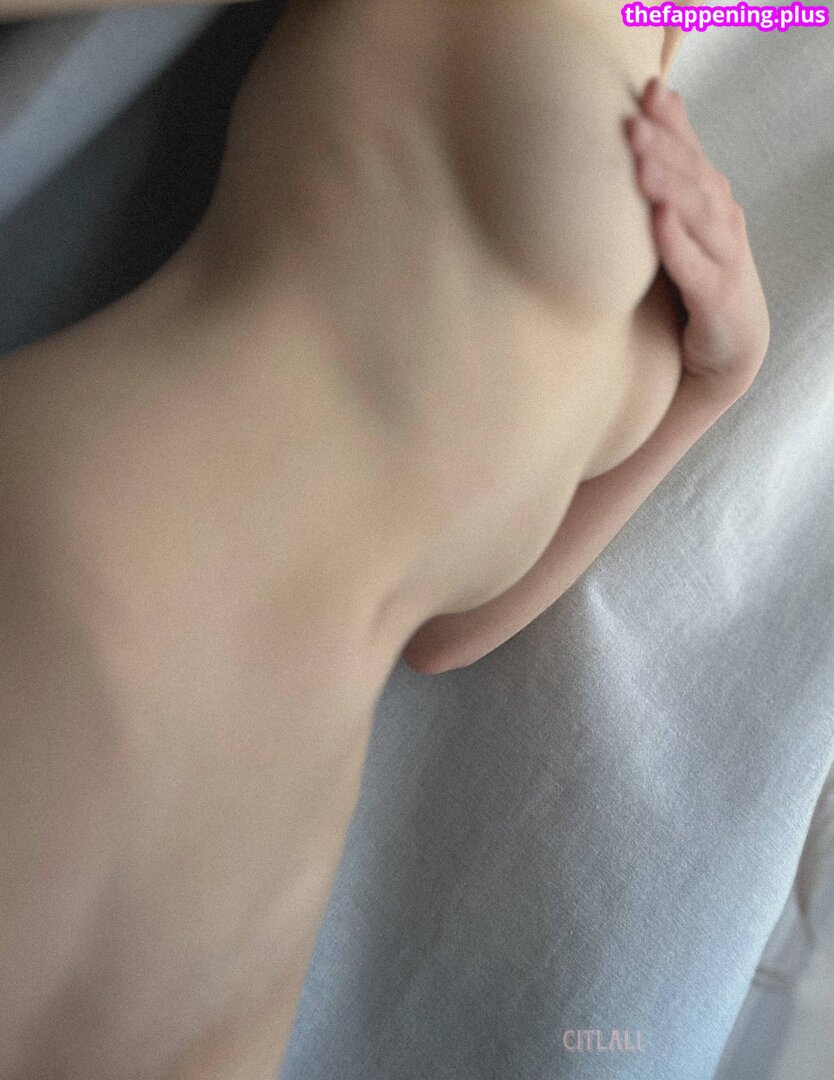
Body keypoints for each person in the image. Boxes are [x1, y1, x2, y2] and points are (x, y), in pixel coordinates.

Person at [0, 1, 769, 1077]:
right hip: (108, 584)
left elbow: (449, 634)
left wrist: (721, 376)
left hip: (261, 879)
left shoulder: (670, 87)